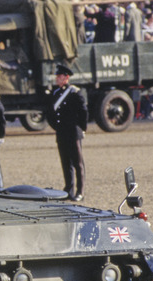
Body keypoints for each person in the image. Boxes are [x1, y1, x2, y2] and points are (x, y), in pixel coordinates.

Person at [47, 64, 88, 202]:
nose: (57, 79)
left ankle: (80, 191)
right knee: (65, 163)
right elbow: (51, 113)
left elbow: (83, 112)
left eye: (59, 76)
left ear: (66, 78)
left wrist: (82, 128)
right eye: (57, 76)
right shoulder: (55, 93)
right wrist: (57, 127)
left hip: (73, 132)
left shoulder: (74, 93)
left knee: (78, 163)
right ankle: (68, 190)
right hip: (61, 132)